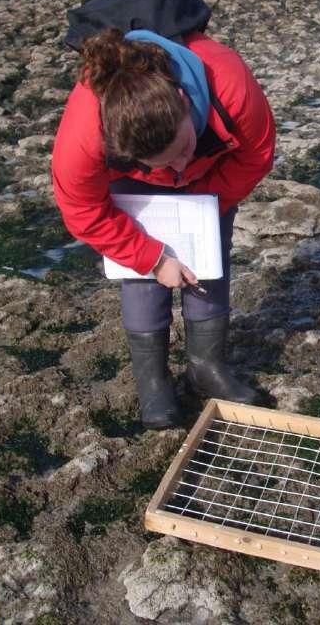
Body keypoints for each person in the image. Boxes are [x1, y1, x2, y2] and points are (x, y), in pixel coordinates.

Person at [51, 27, 275, 429]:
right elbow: (82, 209)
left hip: (213, 176)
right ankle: (153, 383)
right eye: (164, 163)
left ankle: (206, 367)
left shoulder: (230, 86)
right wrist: (150, 257)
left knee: (208, 255)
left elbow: (256, 154)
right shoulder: (86, 134)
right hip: (136, 188)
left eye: (183, 150)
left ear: (184, 101)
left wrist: (203, 208)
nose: (178, 169)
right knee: (140, 276)